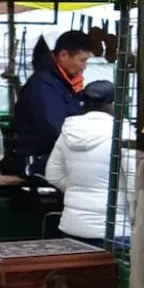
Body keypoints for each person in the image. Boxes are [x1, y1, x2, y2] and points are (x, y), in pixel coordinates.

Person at [44, 80, 116, 246]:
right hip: (112, 230)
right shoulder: (123, 133)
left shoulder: (69, 131)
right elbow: (134, 183)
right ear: (113, 104)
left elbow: (53, 175)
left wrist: (78, 190)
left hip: (72, 226)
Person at [13, 30, 92, 179]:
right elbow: (53, 128)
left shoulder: (65, 83)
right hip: (37, 160)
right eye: (82, 60)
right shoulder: (44, 85)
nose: (84, 66)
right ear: (64, 55)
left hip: (55, 156)